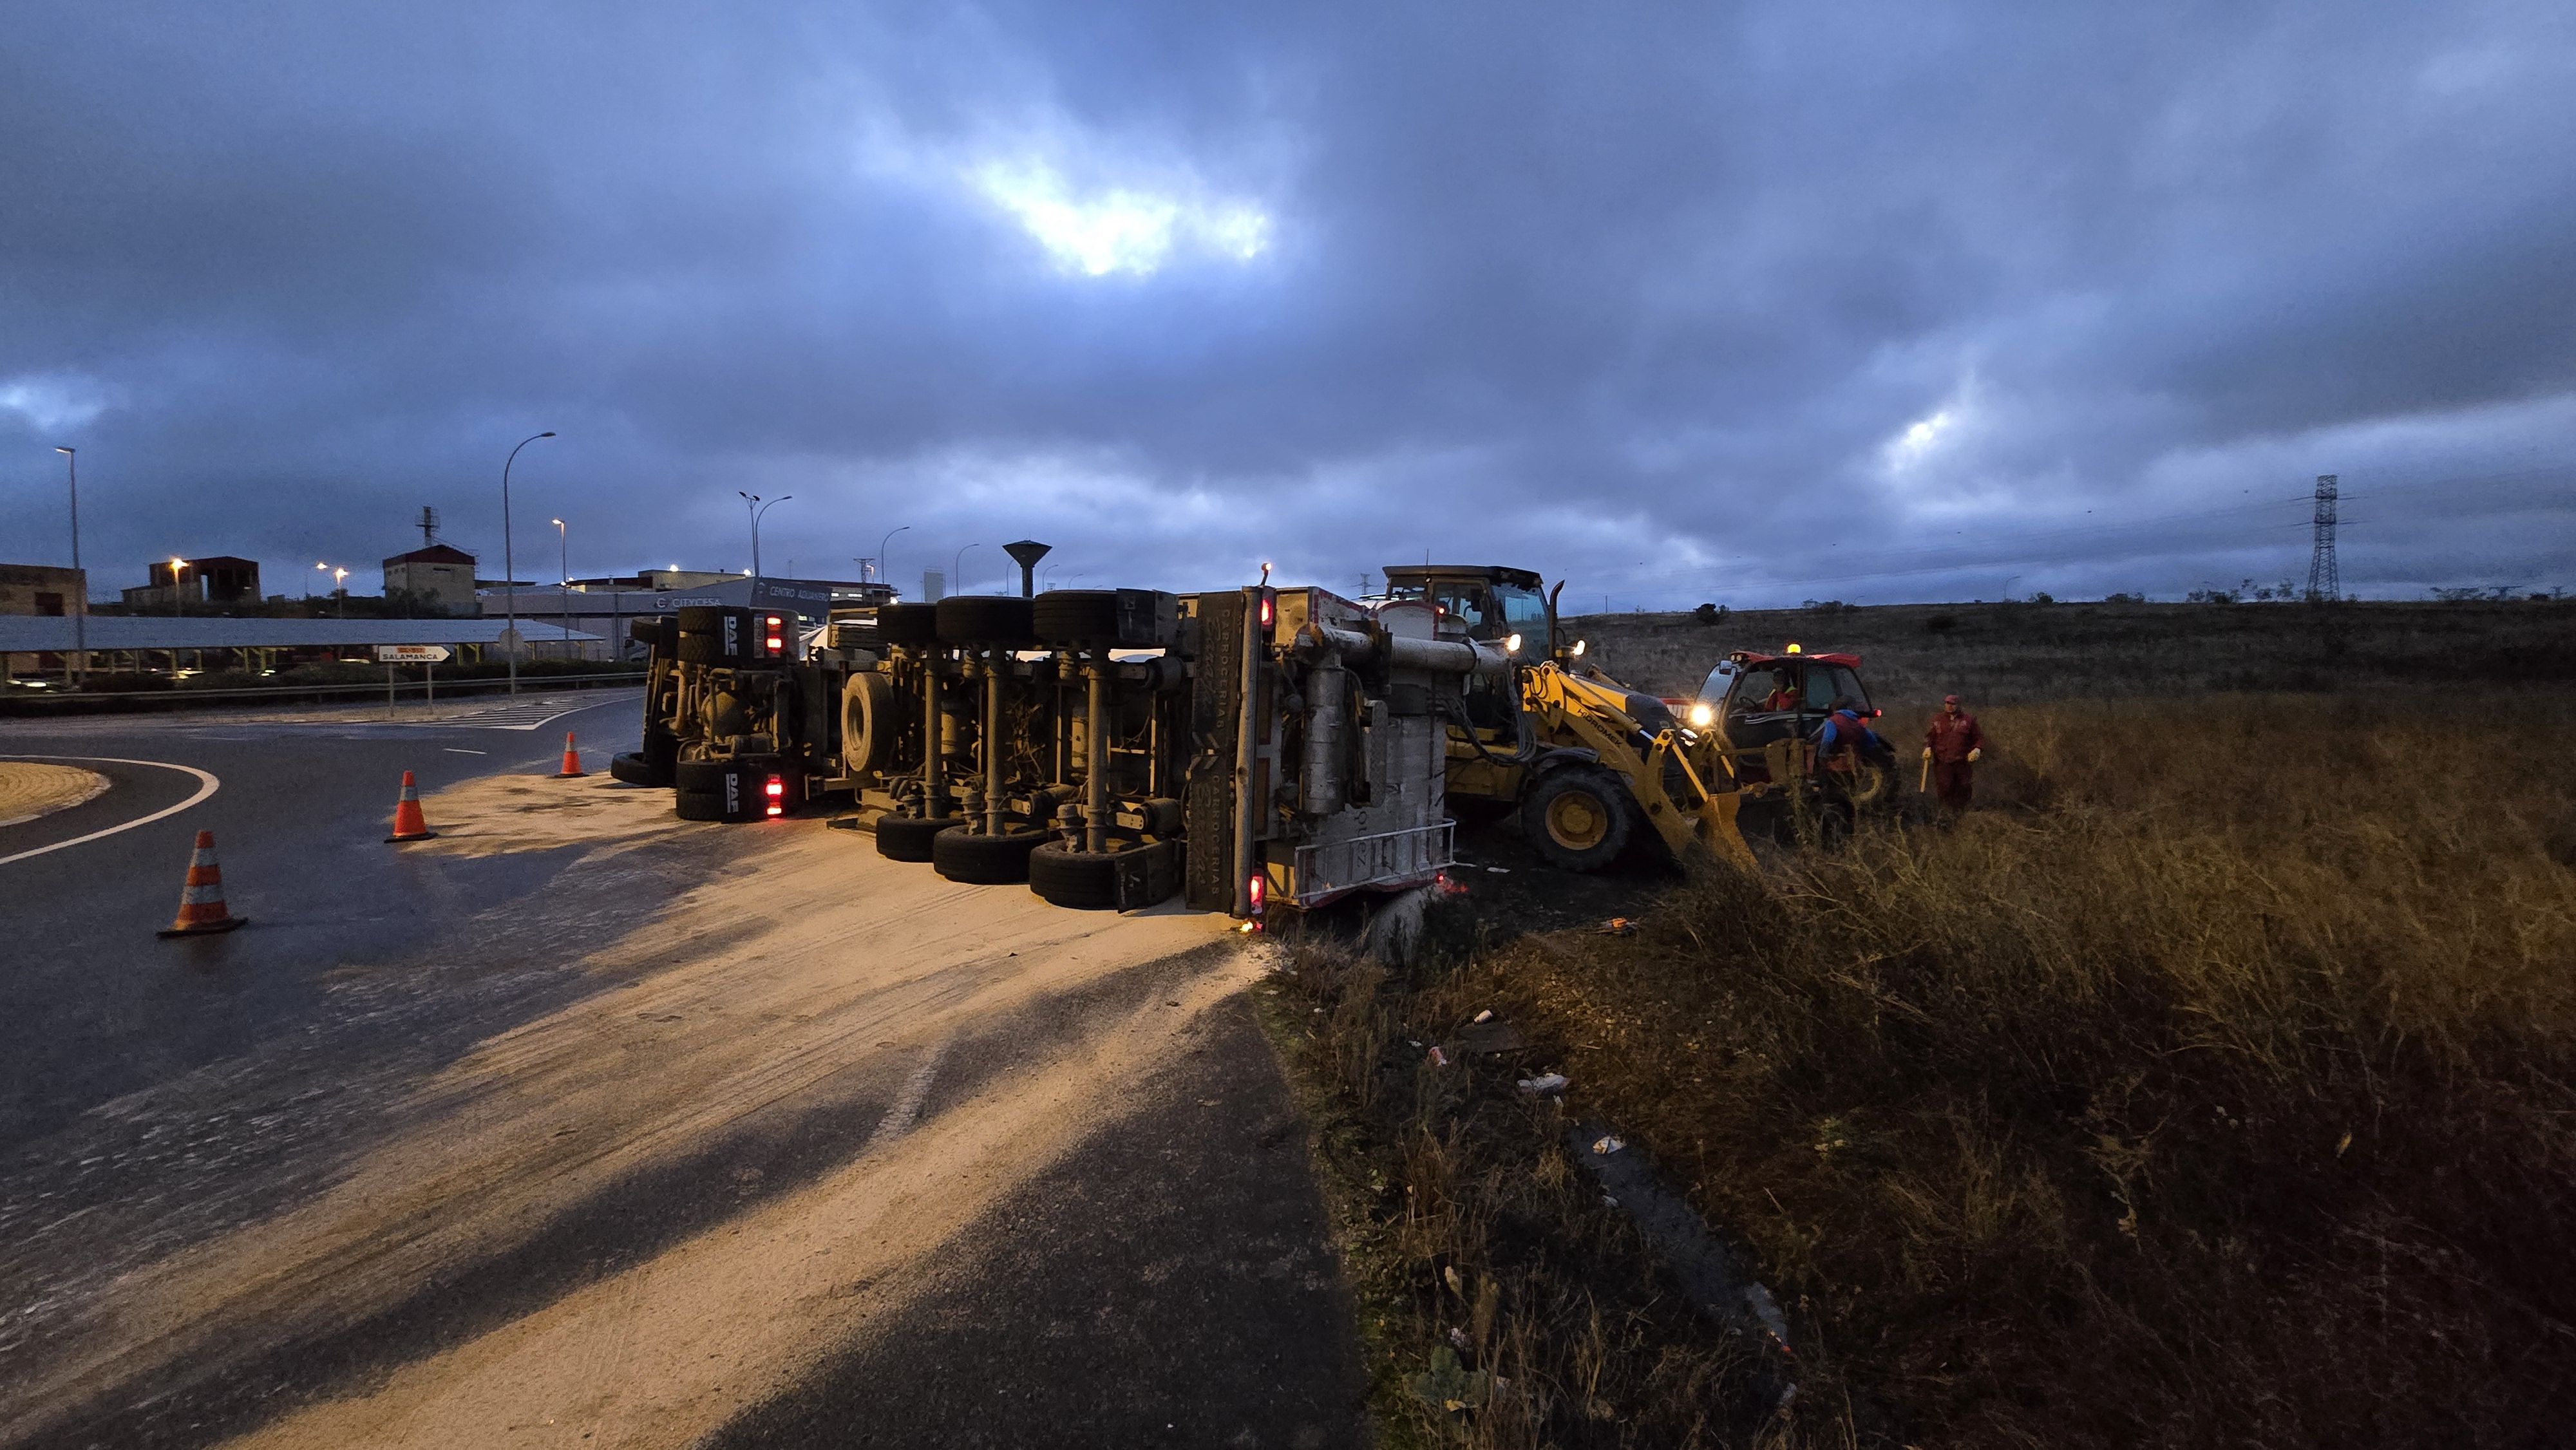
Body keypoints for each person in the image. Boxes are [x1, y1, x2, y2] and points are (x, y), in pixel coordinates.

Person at [1923, 693, 1985, 811]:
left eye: (1953, 704)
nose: (1950, 706)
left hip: (1962, 762)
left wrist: (1977, 749)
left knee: (1964, 787)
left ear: (1958, 705)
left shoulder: (1968, 721)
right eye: (1947, 703)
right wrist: (1927, 747)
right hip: (1942, 761)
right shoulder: (1937, 720)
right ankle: (1944, 813)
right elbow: (1930, 737)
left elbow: (1979, 738)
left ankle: (1963, 813)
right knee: (1944, 788)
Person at [1812, 697, 1889, 773]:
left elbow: (1828, 740)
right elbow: (1871, 739)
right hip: (1861, 756)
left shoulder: (1833, 721)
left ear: (1834, 709)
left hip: (1842, 762)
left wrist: (1822, 757)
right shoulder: (1856, 721)